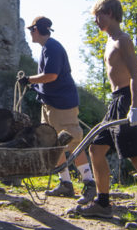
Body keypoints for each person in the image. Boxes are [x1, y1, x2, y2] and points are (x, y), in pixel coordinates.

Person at [77, 0, 137, 227]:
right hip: (115, 102)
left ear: (111, 13)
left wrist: (135, 107)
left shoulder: (123, 40)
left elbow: (136, 75)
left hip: (127, 100)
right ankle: (103, 203)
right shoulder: (109, 41)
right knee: (95, 149)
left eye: (99, 15)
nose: (96, 20)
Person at [17, 16, 98, 204]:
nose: (30, 33)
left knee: (72, 142)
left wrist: (29, 80)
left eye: (31, 30)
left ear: (37, 30)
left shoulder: (52, 47)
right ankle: (65, 183)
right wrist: (33, 85)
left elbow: (51, 75)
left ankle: (89, 183)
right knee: (54, 143)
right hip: (52, 102)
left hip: (62, 104)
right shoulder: (48, 47)